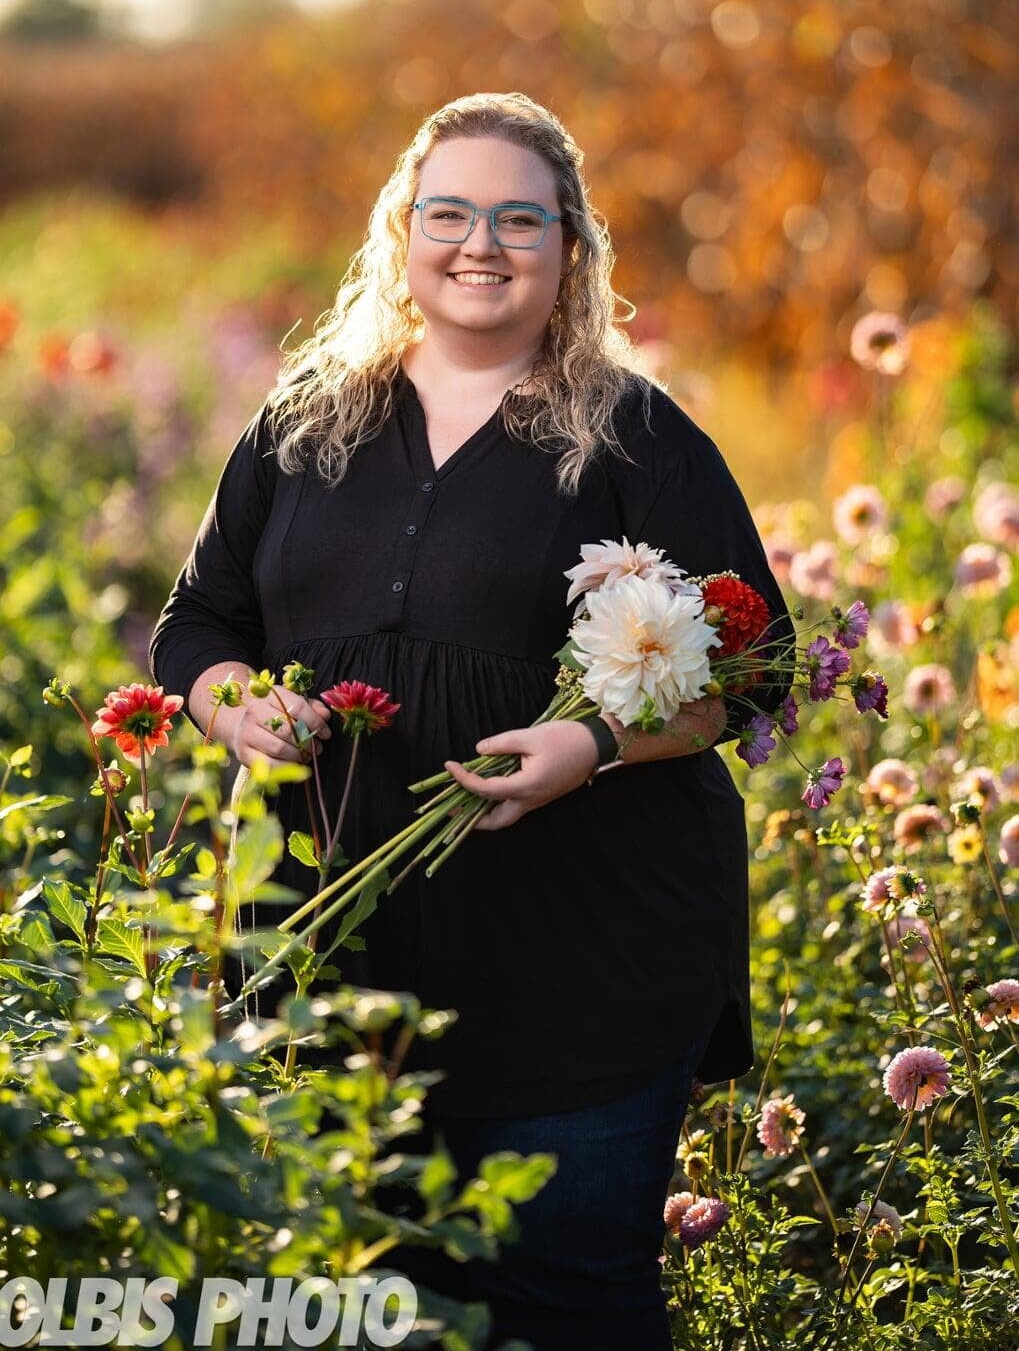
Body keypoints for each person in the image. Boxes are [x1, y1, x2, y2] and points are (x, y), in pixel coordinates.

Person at [149, 91, 795, 1350]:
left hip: (580, 970)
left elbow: (754, 664)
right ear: (402, 234)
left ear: (568, 247)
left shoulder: (635, 436)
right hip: (328, 956)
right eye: (447, 213)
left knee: (566, 1304)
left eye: (517, 218)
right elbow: (198, 623)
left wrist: (591, 745)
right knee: (356, 1303)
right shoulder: (305, 423)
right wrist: (236, 709)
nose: (479, 244)